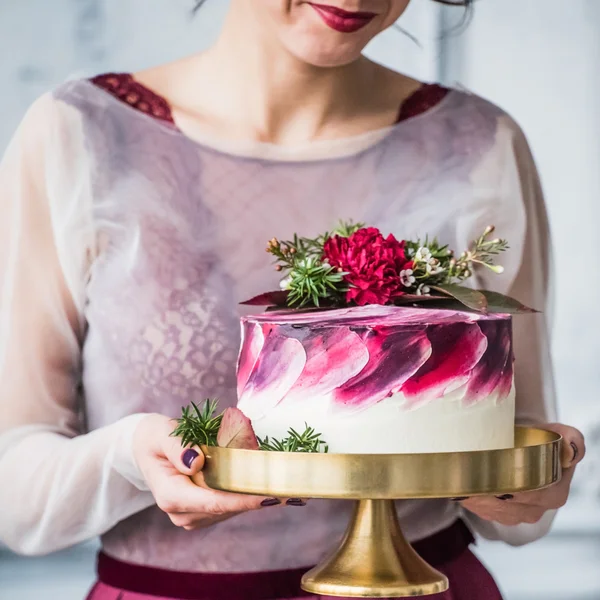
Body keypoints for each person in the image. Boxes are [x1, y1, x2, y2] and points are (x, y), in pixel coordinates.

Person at [0, 1, 586, 599]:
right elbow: (14, 498)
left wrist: (532, 482)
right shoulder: (81, 134)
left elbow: (522, 501)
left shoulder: (480, 144)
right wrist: (128, 457)